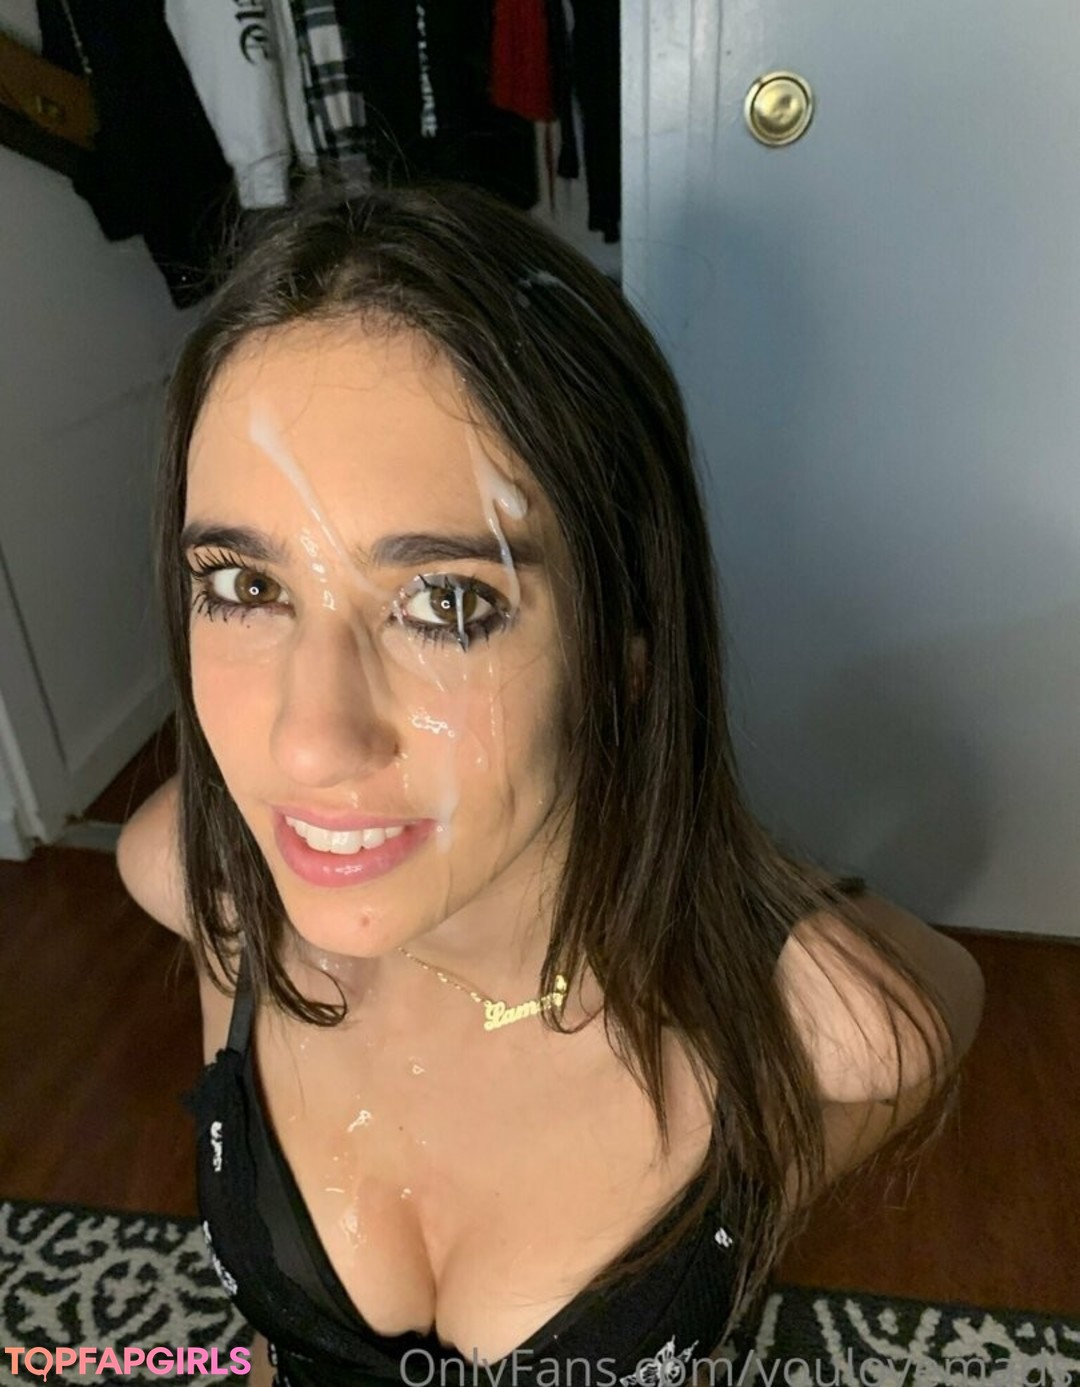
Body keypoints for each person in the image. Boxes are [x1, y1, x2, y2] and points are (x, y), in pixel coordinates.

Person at [115, 177, 985, 1387]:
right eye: (244, 586)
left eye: (446, 603)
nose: (308, 746)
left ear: (625, 648)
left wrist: (730, 891)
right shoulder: (205, 880)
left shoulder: (825, 1029)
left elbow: (938, 1001)